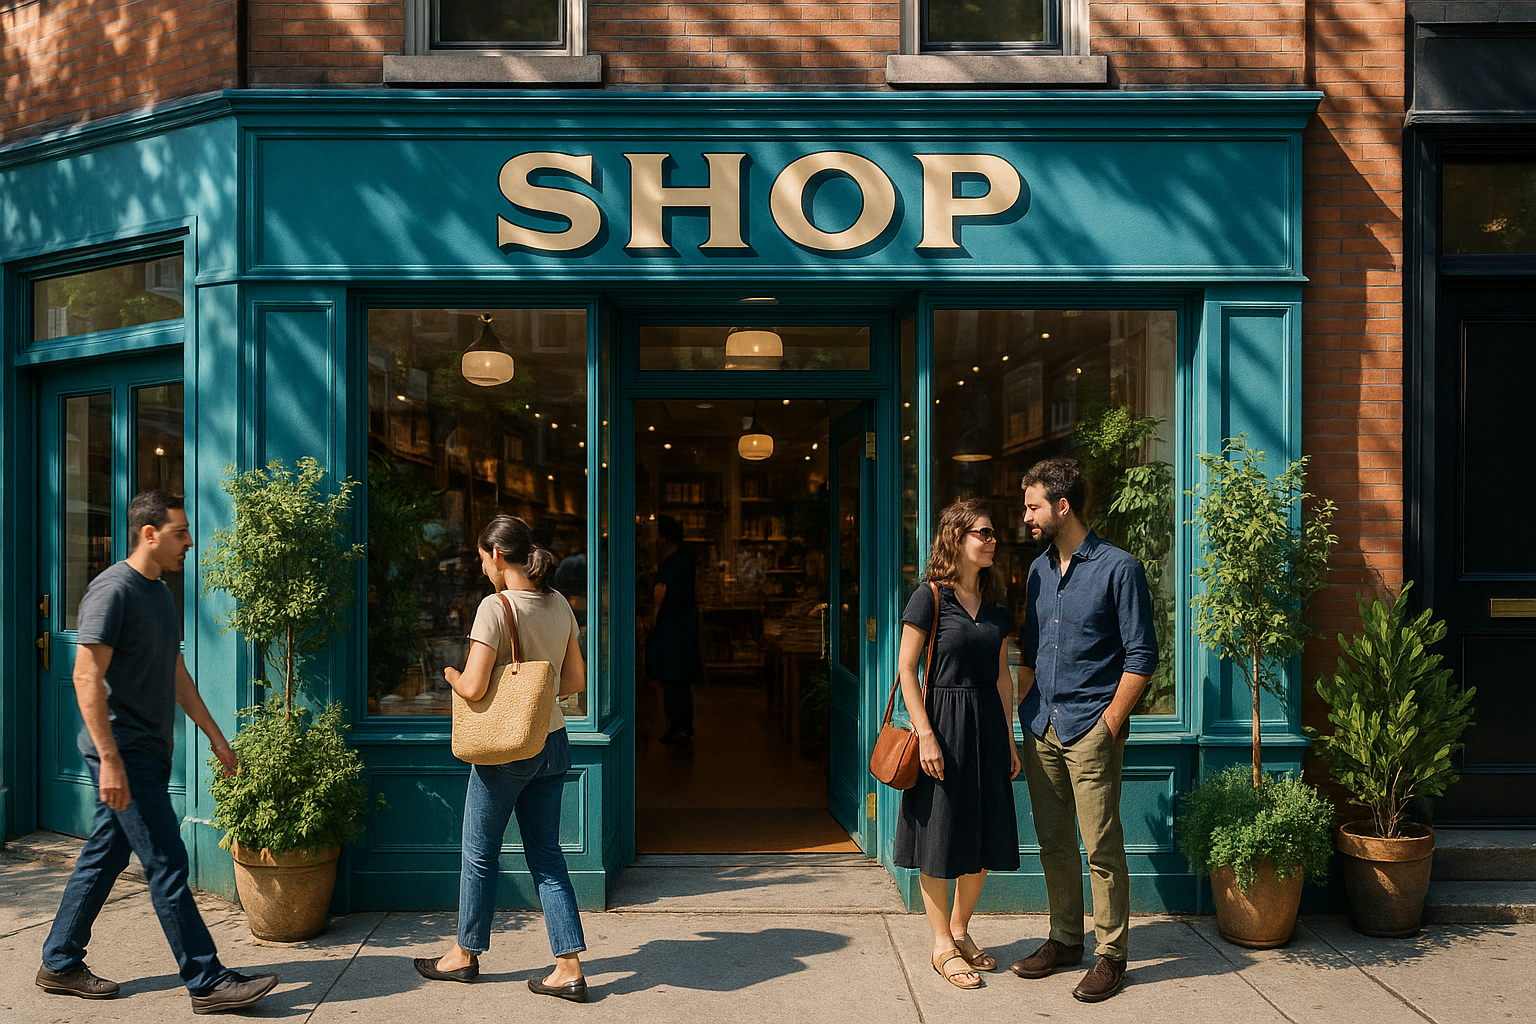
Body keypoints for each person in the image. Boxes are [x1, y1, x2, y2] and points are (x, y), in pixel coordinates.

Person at [37, 491, 279, 1014]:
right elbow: (85, 676)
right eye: (180, 532)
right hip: (123, 751)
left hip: (147, 749)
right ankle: (206, 980)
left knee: (105, 854)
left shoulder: (160, 594)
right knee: (168, 860)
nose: (190, 542)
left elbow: (175, 673)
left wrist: (215, 735)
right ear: (149, 533)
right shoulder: (112, 591)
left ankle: (58, 962)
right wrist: (112, 761)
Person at [415, 515, 591, 1003]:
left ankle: (464, 954)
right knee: (548, 857)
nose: (483, 570)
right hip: (553, 741)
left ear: (496, 555)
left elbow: (472, 686)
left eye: (481, 560)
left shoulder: (495, 608)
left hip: (507, 749)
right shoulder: (559, 604)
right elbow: (574, 683)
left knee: (479, 853)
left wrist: (450, 673)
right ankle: (568, 967)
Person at [1011, 458, 1158, 1003]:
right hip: (1042, 726)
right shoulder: (1039, 570)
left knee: (1101, 846)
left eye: (1033, 505)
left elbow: (1142, 654)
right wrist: (1026, 710)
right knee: (1053, 843)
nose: (1026, 515)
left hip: (1090, 727)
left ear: (1062, 506)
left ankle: (1111, 954)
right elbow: (1029, 647)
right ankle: (1064, 938)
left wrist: (1109, 723)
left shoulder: (1119, 568)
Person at [893, 499, 1021, 990]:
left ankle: (963, 930)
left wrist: (1009, 738)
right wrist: (925, 733)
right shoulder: (929, 597)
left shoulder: (995, 603)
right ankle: (941, 943)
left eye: (992, 534)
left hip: (987, 725)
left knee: (984, 833)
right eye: (982, 533)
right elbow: (907, 669)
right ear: (956, 538)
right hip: (942, 725)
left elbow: (1003, 676)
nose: (991, 541)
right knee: (941, 835)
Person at [646, 515, 700, 745]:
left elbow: (660, 593)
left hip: (671, 624)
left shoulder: (669, 564)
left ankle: (678, 725)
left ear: (666, 539)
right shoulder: (686, 560)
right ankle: (682, 725)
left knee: (671, 674)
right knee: (680, 675)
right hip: (685, 623)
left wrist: (653, 620)